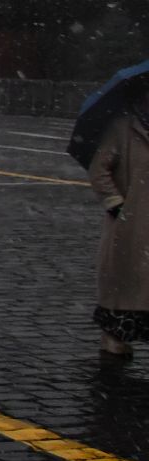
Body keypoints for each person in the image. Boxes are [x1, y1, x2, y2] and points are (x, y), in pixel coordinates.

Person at [87, 85, 149, 357]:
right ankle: (114, 343)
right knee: (123, 285)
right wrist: (117, 205)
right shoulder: (122, 127)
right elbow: (99, 169)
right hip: (130, 226)